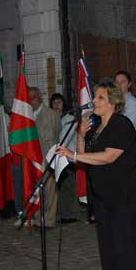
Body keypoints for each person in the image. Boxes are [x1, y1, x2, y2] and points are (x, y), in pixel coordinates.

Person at [55, 79, 136, 270]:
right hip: (103, 196)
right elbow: (86, 157)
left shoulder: (121, 124)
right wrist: (82, 136)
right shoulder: (96, 127)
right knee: (107, 244)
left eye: (100, 97)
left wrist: (73, 155)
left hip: (125, 195)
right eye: (94, 97)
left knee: (126, 243)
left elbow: (108, 157)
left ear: (113, 102)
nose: (93, 101)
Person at [29, 86, 61, 228]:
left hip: (48, 156)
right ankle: (37, 217)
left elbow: (54, 135)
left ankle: (49, 220)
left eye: (34, 98)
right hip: (33, 158)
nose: (32, 101)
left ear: (40, 97)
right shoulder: (27, 115)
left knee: (50, 190)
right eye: (29, 99)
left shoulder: (50, 114)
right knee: (36, 190)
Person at [50, 93, 80, 223]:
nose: (56, 105)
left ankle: (71, 214)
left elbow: (65, 139)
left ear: (64, 104)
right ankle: (63, 213)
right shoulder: (51, 118)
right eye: (54, 103)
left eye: (59, 102)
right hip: (56, 156)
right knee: (60, 187)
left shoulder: (69, 119)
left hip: (68, 156)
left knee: (69, 186)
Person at [115, 70, 136, 136]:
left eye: (122, 82)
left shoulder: (133, 103)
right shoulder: (114, 102)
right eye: (117, 82)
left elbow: (128, 125)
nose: (119, 85)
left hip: (127, 141)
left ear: (129, 84)